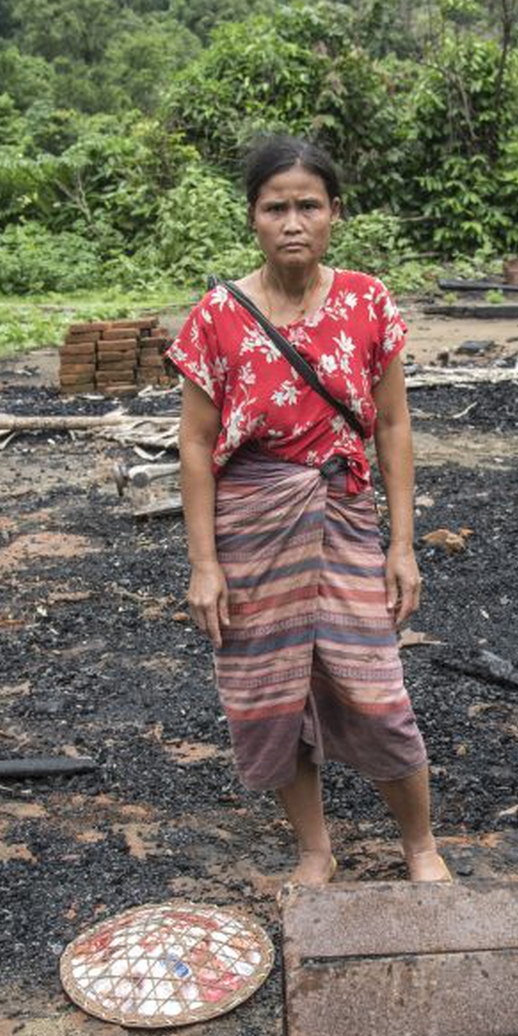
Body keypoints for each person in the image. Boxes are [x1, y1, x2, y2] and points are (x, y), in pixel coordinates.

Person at [167, 134, 449, 887]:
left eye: (308, 206)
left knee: (376, 688)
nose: (293, 222)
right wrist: (204, 566)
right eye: (275, 207)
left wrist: (403, 545)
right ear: (252, 218)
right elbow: (196, 447)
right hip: (252, 527)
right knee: (271, 696)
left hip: (345, 515)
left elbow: (392, 426)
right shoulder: (217, 317)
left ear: (335, 214)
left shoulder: (367, 302)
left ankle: (420, 846)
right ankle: (314, 849)